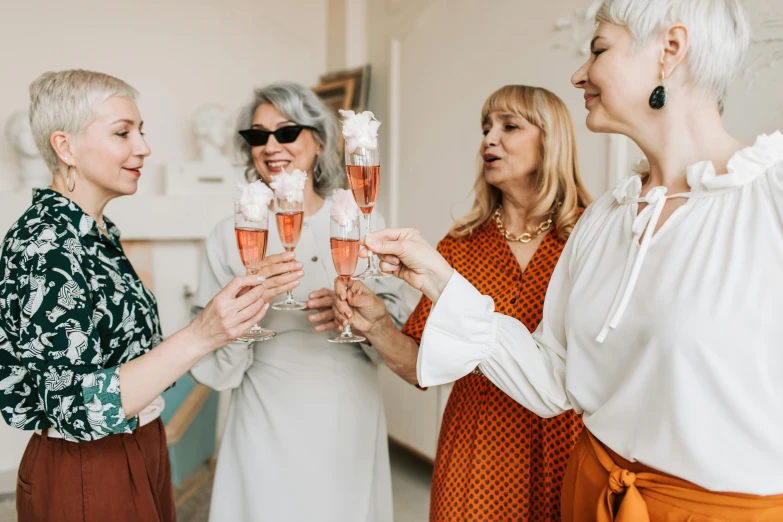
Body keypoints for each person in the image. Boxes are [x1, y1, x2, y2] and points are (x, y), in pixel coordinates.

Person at [354, 1, 783, 520]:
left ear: (670, 51)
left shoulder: (769, 198)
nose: (579, 74)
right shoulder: (606, 219)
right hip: (588, 494)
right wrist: (443, 279)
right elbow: (552, 379)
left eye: (599, 49)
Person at [0, 69, 300, 522]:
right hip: (87, 469)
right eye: (123, 132)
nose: (143, 147)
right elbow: (74, 408)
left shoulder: (98, 231)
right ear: (65, 147)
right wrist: (202, 333)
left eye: (141, 132)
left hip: (141, 444)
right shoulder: (45, 244)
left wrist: (225, 317)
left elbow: (128, 358)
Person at [334, 85, 590, 521]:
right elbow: (421, 365)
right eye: (486, 128)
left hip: (565, 443)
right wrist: (377, 327)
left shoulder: (590, 236)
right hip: (478, 447)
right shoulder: (460, 246)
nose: (489, 138)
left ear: (552, 140)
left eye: (509, 126)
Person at [190, 82, 411, 522]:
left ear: (320, 141)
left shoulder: (360, 220)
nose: (271, 146)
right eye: (257, 136)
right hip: (264, 413)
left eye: (286, 132)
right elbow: (213, 364)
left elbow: (399, 331)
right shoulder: (229, 235)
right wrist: (250, 303)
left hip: (346, 409)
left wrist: (365, 316)